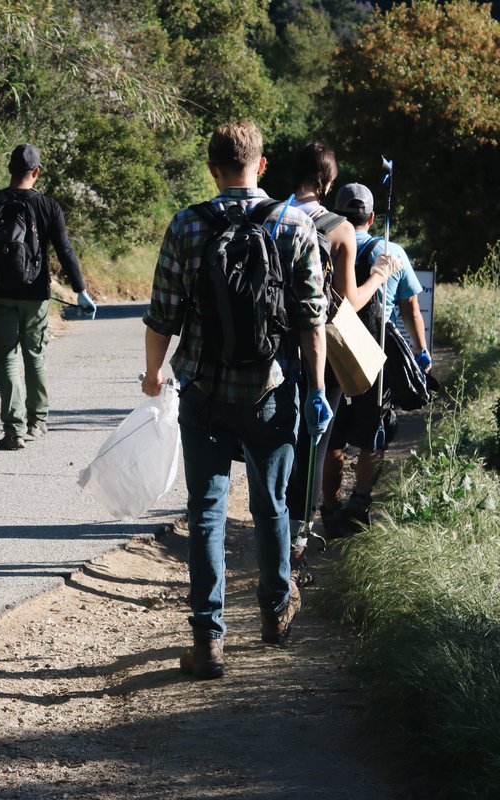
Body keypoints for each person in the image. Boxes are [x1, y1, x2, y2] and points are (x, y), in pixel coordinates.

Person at [142, 121, 331, 680]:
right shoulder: (295, 224)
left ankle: (207, 642)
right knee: (271, 503)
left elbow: (162, 315)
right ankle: (275, 612)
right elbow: (312, 322)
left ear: (212, 168)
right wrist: (316, 392)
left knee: (206, 509)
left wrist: (154, 373)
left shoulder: (187, 224)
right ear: (262, 164)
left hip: (202, 390)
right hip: (271, 392)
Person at [283, 143, 404, 543]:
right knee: (315, 441)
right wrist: (380, 276)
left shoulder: (272, 214)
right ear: (325, 181)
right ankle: (300, 531)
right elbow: (348, 301)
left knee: (281, 437)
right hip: (321, 347)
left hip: (276, 345)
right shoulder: (339, 228)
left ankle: (277, 519)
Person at [0, 144, 96, 450]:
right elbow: (65, 250)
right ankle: (38, 420)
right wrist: (81, 291)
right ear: (36, 172)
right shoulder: (48, 207)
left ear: (10, 169)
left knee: (6, 355)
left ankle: (13, 429)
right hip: (35, 294)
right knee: (35, 354)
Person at [322, 182, 431, 534]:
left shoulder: (326, 243)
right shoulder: (391, 251)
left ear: (336, 212)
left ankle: (330, 507)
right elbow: (411, 307)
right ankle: (359, 503)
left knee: (333, 437)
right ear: (371, 217)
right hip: (375, 358)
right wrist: (421, 350)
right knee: (375, 432)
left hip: (333, 354)